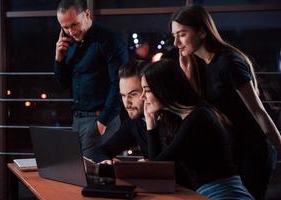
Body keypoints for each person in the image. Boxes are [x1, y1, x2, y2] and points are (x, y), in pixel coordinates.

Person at [170, 5, 279, 199]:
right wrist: (187, 77)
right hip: (232, 150)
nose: (176, 42)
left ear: (202, 32)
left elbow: (258, 111)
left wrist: (279, 147)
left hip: (253, 151)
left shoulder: (229, 62)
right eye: (174, 35)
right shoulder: (200, 66)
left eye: (182, 34)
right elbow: (202, 113)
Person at [140, 59, 253, 200]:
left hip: (226, 195)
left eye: (147, 90)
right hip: (208, 193)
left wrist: (151, 125)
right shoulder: (185, 118)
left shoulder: (199, 117)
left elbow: (157, 168)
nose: (142, 96)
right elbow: (158, 170)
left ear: (164, 88)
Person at [54, 0, 129, 159]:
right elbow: (63, 84)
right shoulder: (70, 44)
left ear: (87, 14)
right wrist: (59, 59)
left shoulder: (110, 40)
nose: (71, 32)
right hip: (77, 120)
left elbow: (120, 84)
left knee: (95, 177)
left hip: (100, 119)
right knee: (76, 174)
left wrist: (103, 121)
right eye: (65, 28)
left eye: (74, 25)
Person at [94, 59, 149, 162]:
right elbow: (102, 152)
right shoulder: (134, 122)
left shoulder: (170, 120)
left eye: (133, 94)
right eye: (123, 95)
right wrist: (107, 161)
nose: (127, 103)